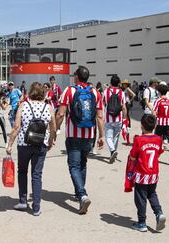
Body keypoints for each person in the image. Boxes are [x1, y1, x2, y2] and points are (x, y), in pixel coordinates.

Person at [56, 65, 105, 214]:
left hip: (73, 134)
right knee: (83, 164)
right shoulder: (95, 93)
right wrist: (101, 136)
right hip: (89, 135)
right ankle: (80, 193)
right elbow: (100, 116)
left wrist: (54, 130)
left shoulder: (69, 91)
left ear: (77, 76)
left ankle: (82, 195)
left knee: (74, 166)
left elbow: (60, 114)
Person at [6, 82, 56, 216]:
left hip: (24, 144)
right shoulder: (48, 107)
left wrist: (10, 144)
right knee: (37, 174)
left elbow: (16, 127)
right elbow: (53, 128)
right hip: (41, 145)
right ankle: (36, 207)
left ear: (30, 92)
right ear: (42, 93)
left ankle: (23, 201)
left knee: (22, 171)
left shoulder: (23, 105)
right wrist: (51, 141)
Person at [125, 114, 166, 232]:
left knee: (140, 198)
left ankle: (142, 222)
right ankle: (159, 213)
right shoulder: (158, 139)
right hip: (153, 173)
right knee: (152, 194)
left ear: (142, 126)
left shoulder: (139, 139)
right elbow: (159, 151)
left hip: (142, 174)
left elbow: (133, 156)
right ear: (154, 126)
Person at [103, 75, 127, 163]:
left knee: (108, 137)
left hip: (109, 118)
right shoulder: (122, 92)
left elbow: (104, 104)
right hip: (118, 118)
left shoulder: (106, 92)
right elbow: (124, 107)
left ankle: (113, 151)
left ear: (110, 82)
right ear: (119, 83)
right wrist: (125, 118)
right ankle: (113, 152)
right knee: (116, 136)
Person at [153, 84, 169, 166]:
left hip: (160, 123)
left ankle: (154, 158)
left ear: (159, 92)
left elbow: (154, 112)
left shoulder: (158, 101)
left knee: (156, 141)